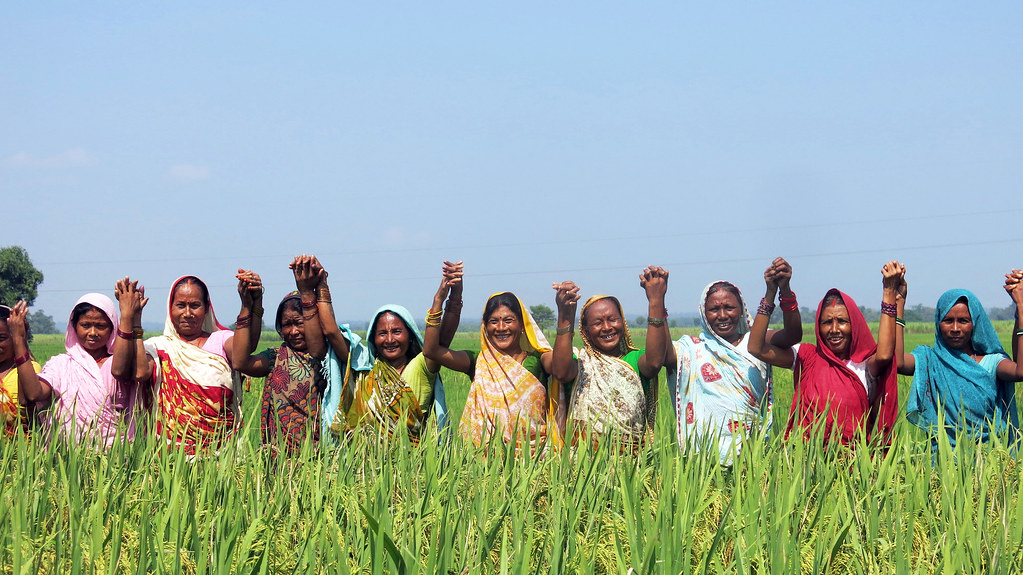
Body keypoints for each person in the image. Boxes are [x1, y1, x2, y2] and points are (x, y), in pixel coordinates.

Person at [423, 262, 577, 451]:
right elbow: (431, 350)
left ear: (522, 325)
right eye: (494, 321)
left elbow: (562, 370)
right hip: (485, 462)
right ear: (485, 328)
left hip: (533, 461)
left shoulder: (537, 360)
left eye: (508, 320)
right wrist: (442, 298)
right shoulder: (479, 362)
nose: (501, 328)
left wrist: (565, 315)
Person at [748, 260, 902, 446]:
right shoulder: (807, 357)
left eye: (842, 321)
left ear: (854, 325)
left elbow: (885, 354)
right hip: (807, 465)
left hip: (852, 466)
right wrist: (772, 293)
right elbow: (756, 348)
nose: (835, 329)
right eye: (827, 322)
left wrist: (889, 292)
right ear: (818, 327)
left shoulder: (863, 365)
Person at [665, 258, 802, 463]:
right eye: (713, 309)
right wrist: (657, 302)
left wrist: (781, 291)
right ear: (704, 314)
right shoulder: (692, 349)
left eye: (729, 307)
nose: (722, 315)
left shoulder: (755, 341)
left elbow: (793, 336)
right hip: (703, 463)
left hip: (752, 456)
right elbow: (662, 356)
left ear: (740, 311)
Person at [323, 260, 457, 445]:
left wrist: (445, 298)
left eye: (396, 331)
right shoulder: (365, 366)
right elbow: (331, 332)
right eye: (382, 333)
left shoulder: (421, 368)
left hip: (413, 466)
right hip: (365, 467)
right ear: (373, 338)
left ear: (410, 335)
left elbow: (442, 339)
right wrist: (321, 286)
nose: (389, 340)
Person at [135, 272, 265, 453]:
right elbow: (139, 371)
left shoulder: (220, 340)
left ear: (206, 310)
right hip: (169, 457)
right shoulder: (158, 347)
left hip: (220, 456)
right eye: (180, 305)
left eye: (195, 306)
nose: (187, 313)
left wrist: (249, 305)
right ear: (170, 309)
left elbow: (242, 353)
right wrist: (133, 318)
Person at [898, 269, 1023, 450]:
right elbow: (897, 362)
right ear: (938, 323)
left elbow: (1020, 371)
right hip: (942, 463)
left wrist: (1021, 306)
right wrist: (898, 303)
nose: (955, 328)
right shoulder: (931, 360)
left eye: (963, 320)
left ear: (975, 323)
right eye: (948, 320)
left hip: (988, 462)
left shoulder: (991, 363)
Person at [13, 281, 148, 446]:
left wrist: (127, 315)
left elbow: (119, 371)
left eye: (100, 326)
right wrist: (19, 342)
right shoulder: (61, 365)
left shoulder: (120, 361)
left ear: (113, 328)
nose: (92, 333)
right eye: (85, 325)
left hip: (118, 456)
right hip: (69, 458)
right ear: (74, 327)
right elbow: (34, 394)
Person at [554, 266, 669, 450]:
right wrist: (565, 315)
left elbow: (655, 362)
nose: (607, 327)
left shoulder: (634, 359)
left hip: (632, 465)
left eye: (613, 319)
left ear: (622, 322)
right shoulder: (580, 361)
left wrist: (656, 300)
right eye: (598, 323)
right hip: (583, 466)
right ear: (585, 331)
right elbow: (561, 372)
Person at [231, 256, 328, 454]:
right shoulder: (276, 357)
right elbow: (240, 361)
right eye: (287, 325)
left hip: (318, 457)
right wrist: (249, 304)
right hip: (277, 459)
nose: (293, 331)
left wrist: (311, 290)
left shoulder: (327, 358)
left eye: (299, 323)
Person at [1, 303, 42, 436]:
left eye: (1, 338)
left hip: (18, 453)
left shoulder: (28, 371)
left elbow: (26, 403)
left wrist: (20, 337)